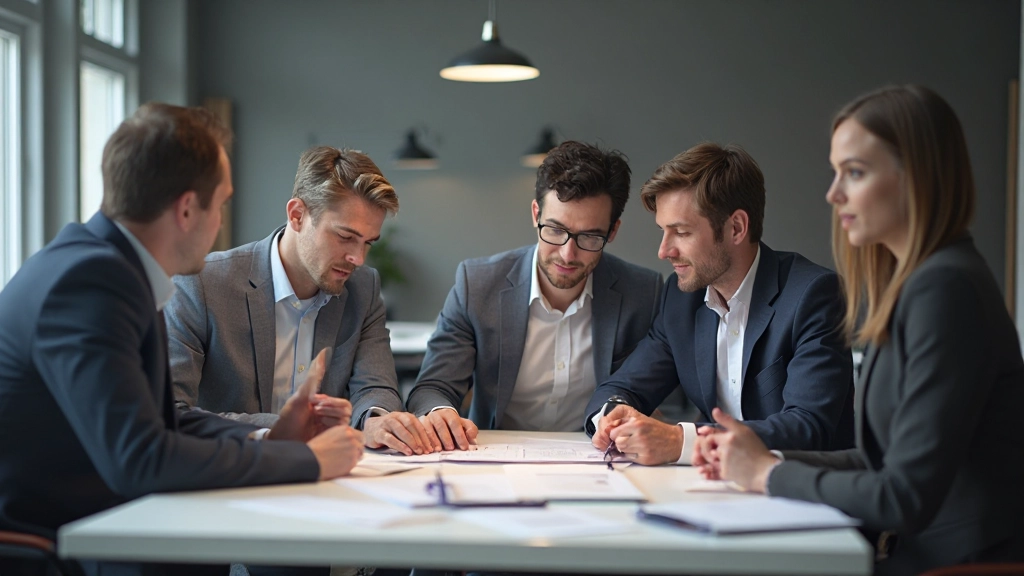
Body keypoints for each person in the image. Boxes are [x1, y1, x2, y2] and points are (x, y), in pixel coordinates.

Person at [0, 103, 364, 576]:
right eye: (222, 204)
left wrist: (272, 437)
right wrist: (306, 462)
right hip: (52, 546)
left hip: (93, 522)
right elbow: (141, 458)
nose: (222, 223)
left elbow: (160, 422)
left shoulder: (109, 266)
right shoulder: (92, 283)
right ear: (188, 209)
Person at [698, 85, 1024, 575]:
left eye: (854, 172)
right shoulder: (922, 283)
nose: (833, 194)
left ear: (918, 176)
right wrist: (758, 456)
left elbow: (903, 496)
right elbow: (882, 462)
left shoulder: (946, 289)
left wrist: (768, 474)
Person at [587, 142, 855, 466]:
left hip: (796, 486)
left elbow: (808, 427)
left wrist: (682, 441)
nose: (664, 251)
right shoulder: (681, 299)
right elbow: (622, 386)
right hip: (712, 486)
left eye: (681, 232)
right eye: (663, 231)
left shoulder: (814, 296)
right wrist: (612, 416)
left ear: (736, 228)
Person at [166, 146, 436, 457]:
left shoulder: (363, 289)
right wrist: (287, 429)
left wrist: (376, 420)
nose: (358, 258)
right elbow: (173, 410)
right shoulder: (202, 284)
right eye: (345, 237)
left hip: (330, 476)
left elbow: (375, 387)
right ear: (297, 215)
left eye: (368, 243)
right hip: (230, 468)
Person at [406, 141, 662, 449]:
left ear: (613, 231)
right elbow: (434, 385)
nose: (567, 254)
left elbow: (644, 393)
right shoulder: (477, 285)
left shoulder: (642, 293)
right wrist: (440, 413)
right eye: (555, 230)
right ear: (535, 214)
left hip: (595, 455)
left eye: (590, 237)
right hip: (494, 454)